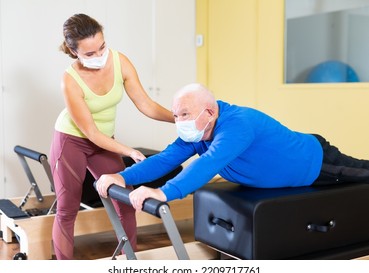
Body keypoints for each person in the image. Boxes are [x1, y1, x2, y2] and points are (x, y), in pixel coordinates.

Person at [96, 83, 369, 212]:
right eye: (176, 115)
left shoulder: (238, 125)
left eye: (185, 115)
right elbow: (166, 159)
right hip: (297, 163)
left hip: (317, 162)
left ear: (210, 112)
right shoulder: (199, 131)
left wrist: (163, 192)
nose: (179, 122)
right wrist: (122, 177)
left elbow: (207, 163)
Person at [49, 14, 173, 260]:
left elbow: (145, 104)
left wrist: (178, 118)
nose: (100, 56)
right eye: (90, 54)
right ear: (74, 52)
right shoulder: (70, 80)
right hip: (71, 141)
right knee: (67, 208)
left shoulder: (119, 61)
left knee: (125, 202)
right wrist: (128, 151)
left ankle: (129, 263)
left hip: (104, 141)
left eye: (102, 47)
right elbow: (91, 132)